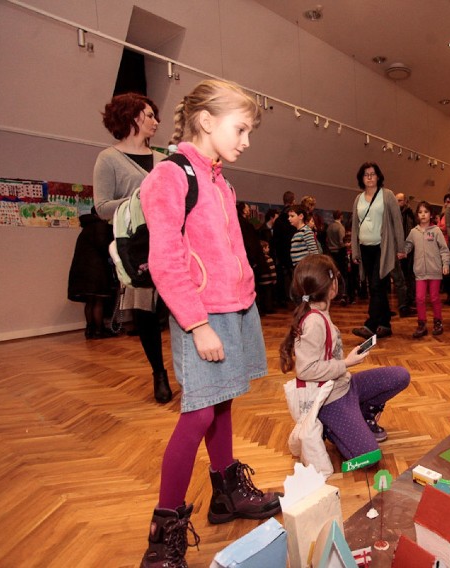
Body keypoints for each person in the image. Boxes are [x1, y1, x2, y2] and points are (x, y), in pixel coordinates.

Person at [138, 80, 281, 568]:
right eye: (240, 128)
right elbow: (165, 259)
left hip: (233, 306)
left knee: (222, 401)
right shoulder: (170, 176)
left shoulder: (220, 179)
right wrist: (197, 323)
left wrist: (245, 299)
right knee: (198, 411)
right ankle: (164, 534)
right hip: (199, 312)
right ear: (206, 121)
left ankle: (226, 494)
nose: (245, 140)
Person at [279, 254, 410, 457]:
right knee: (369, 455)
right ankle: (328, 426)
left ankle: (362, 414)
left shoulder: (320, 313)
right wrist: (346, 363)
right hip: (331, 399)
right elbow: (305, 370)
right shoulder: (314, 321)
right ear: (332, 286)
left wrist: (345, 362)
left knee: (400, 376)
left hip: (345, 386)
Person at [92, 92, 172, 404]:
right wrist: (139, 201)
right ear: (133, 117)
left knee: (180, 310)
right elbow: (101, 207)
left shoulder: (164, 159)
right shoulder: (108, 159)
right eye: (150, 115)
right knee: (145, 312)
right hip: (137, 246)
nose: (156, 121)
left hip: (170, 240)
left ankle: (186, 369)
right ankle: (159, 373)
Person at [350, 162, 405, 340]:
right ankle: (385, 324)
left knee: (375, 285)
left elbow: (397, 222)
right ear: (361, 178)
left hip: (383, 247)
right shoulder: (358, 199)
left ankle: (371, 324)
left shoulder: (387, 195)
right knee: (378, 287)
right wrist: (355, 250)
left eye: (373, 174)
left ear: (379, 176)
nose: (370, 177)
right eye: (366, 174)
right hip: (365, 248)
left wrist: (400, 247)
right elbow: (355, 226)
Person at [67, 207, 117, 339]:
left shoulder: (86, 228)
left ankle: (90, 329)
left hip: (82, 271)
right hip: (97, 270)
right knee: (98, 300)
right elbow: (104, 246)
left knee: (90, 301)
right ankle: (99, 330)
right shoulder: (101, 226)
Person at [402, 201, 450, 338]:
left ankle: (438, 322)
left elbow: (444, 250)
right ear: (417, 215)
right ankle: (422, 324)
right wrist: (404, 252)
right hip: (420, 272)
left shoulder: (436, 231)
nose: (423, 215)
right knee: (419, 298)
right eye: (420, 212)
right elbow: (408, 245)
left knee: (435, 298)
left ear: (430, 214)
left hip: (435, 271)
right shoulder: (413, 232)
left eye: (426, 212)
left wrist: (445, 265)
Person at [392, 192, 417, 317]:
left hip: (408, 248)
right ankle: (404, 304)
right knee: (400, 278)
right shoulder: (394, 214)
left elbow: (410, 231)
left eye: (400, 200)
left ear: (404, 201)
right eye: (396, 200)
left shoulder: (409, 214)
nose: (398, 203)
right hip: (396, 249)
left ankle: (409, 301)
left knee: (408, 276)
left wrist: (406, 248)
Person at [326, 209, 350, 305]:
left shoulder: (329, 227)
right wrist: (348, 245)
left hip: (331, 253)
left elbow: (327, 240)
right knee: (343, 274)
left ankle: (334, 294)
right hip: (339, 252)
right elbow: (341, 242)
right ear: (340, 216)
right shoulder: (340, 227)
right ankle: (343, 294)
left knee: (333, 274)